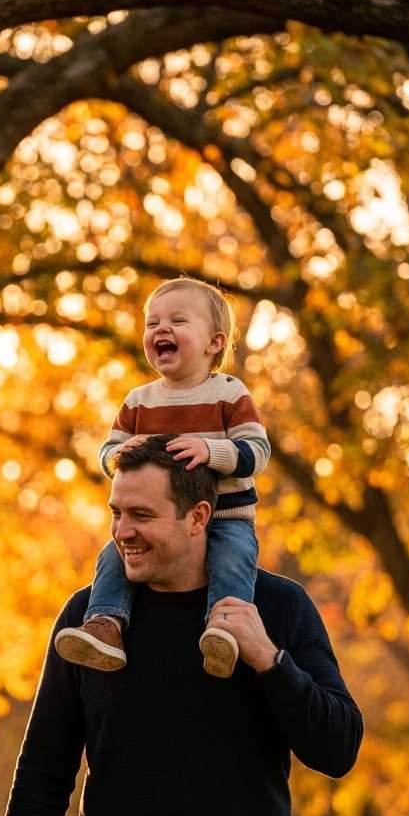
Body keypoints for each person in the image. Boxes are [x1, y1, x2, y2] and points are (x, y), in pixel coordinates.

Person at [0, 436, 362, 816]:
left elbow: (339, 747)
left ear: (199, 517)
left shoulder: (277, 606)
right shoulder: (92, 623)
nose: (122, 532)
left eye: (141, 515)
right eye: (116, 512)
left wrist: (269, 659)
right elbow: (46, 763)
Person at [54, 276, 271, 678]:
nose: (161, 330)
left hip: (226, 515)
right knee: (113, 555)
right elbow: (107, 451)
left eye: (177, 321)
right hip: (164, 524)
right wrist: (116, 455)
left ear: (214, 342)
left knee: (233, 558)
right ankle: (105, 624)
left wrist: (211, 451)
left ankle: (224, 629)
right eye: (152, 323)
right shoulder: (140, 400)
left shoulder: (228, 393)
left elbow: (257, 451)